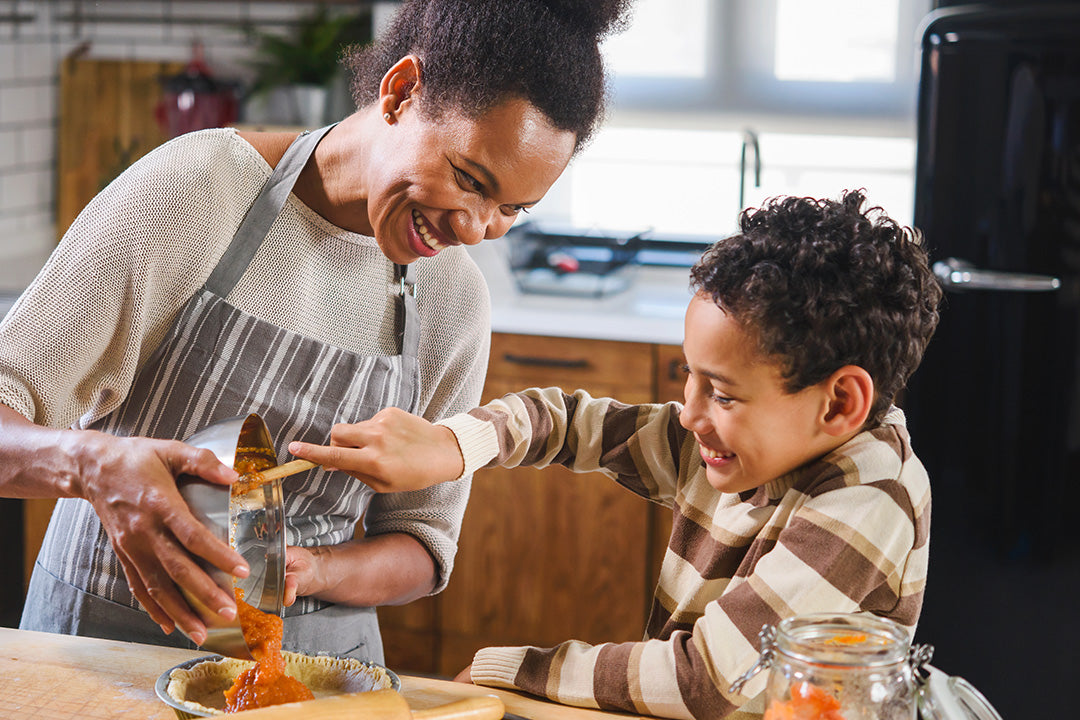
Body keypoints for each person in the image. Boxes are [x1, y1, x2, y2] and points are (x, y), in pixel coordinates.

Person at [0, 0, 631, 664]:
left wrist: (313, 570)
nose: (475, 229)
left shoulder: (453, 299)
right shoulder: (199, 190)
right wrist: (91, 464)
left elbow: (422, 544)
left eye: (512, 209)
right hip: (102, 649)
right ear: (401, 92)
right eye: (470, 180)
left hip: (320, 669)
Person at [289, 190, 944, 717]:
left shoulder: (867, 498)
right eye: (689, 377)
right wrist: (453, 446)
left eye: (721, 393)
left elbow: (704, 680)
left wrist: (511, 669)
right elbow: (569, 422)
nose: (689, 414)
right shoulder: (743, 445)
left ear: (839, 403)